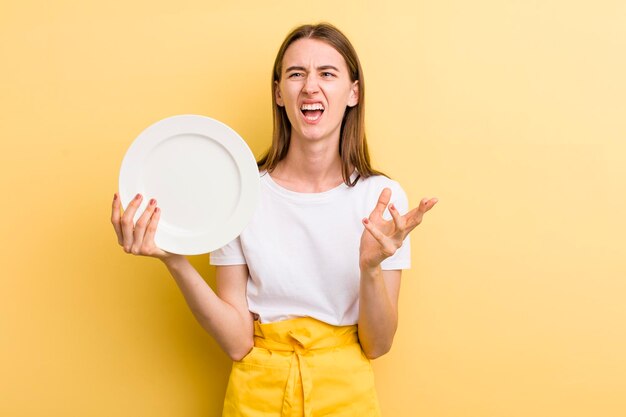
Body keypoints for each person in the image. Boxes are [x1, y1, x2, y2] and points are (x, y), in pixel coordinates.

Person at [111, 23, 437, 417]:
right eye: (296, 74)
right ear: (279, 93)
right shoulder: (241, 194)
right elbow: (237, 343)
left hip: (346, 396)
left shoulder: (380, 199)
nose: (310, 87)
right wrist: (173, 259)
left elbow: (378, 345)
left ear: (353, 93)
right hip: (256, 397)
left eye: (327, 74)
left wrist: (369, 267)